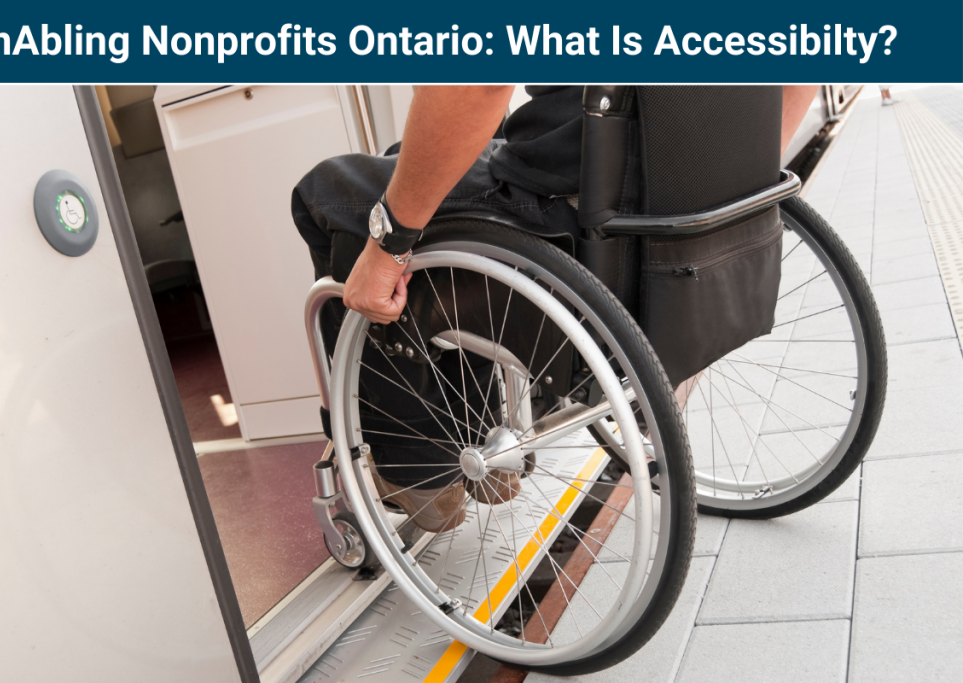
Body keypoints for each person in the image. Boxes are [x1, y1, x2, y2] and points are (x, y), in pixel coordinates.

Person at [292, 85, 818, 531]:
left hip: (580, 205)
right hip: (668, 210)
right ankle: (473, 438)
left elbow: (476, 84)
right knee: (404, 157)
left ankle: (421, 470)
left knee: (327, 195)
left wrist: (389, 247)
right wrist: (723, 197)